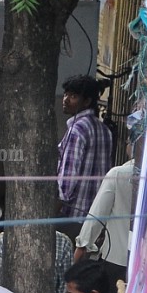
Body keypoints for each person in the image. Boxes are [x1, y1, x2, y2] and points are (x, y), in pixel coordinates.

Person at [56, 76, 114, 227]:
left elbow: (67, 182)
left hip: (72, 215)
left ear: (87, 101)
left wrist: (55, 209)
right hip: (94, 214)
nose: (66, 99)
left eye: (73, 96)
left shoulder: (77, 130)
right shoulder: (104, 130)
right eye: (66, 94)